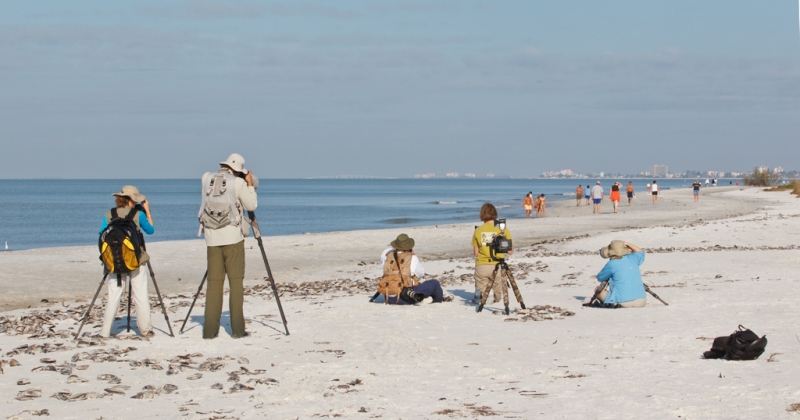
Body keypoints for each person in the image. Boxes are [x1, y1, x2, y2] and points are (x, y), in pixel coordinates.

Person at [198, 153, 258, 339]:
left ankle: (209, 331)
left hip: (211, 238)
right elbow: (252, 205)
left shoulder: (206, 178)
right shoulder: (238, 183)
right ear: (238, 170)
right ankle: (238, 330)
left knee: (214, 286)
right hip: (232, 239)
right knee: (235, 284)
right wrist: (249, 184)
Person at [98, 186, 155, 338]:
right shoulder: (138, 214)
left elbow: (101, 234)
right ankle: (145, 330)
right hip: (136, 260)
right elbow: (150, 230)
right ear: (132, 200)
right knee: (140, 295)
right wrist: (147, 211)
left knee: (113, 296)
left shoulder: (109, 214)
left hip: (114, 261)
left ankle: (104, 332)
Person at [378, 234, 452, 304]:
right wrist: (412, 254)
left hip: (388, 297)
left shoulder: (386, 256)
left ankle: (426, 298)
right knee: (434, 283)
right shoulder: (412, 258)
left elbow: (385, 266)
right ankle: (438, 299)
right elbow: (421, 274)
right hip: (405, 297)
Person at [471, 203, 512, 305]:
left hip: (482, 265)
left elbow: (476, 253)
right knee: (498, 291)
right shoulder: (502, 229)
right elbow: (510, 251)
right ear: (495, 213)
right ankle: (494, 296)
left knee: (481, 283)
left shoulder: (478, 230)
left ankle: (481, 293)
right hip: (497, 265)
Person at [586, 240, 647, 308]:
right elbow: (640, 251)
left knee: (597, 290)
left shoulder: (612, 264)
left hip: (622, 302)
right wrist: (627, 244)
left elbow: (600, 278)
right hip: (641, 301)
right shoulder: (633, 258)